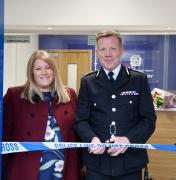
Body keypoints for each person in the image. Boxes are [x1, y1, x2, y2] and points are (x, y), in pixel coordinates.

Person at [75, 30, 157, 180]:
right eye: (103, 49)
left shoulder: (138, 80)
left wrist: (128, 139)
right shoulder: (88, 82)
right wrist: (92, 139)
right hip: (97, 163)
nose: (108, 54)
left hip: (130, 163)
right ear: (97, 52)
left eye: (113, 48)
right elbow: (81, 120)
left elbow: (148, 120)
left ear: (121, 51)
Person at [3, 50, 82, 180]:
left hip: (65, 167)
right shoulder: (15, 96)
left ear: (54, 71)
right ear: (31, 72)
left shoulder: (70, 94)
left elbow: (78, 131)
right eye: (38, 68)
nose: (44, 73)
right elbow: (5, 133)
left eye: (48, 68)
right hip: (26, 168)